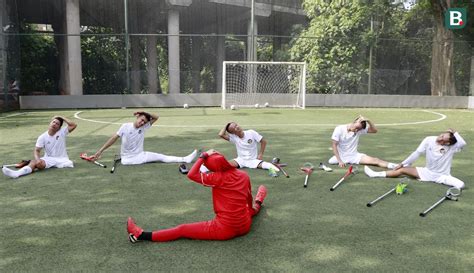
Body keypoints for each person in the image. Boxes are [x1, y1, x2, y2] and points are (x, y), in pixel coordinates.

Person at [127, 149, 268, 243]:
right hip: (245, 225)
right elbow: (248, 200)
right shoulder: (243, 175)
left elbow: (191, 174)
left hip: (225, 229)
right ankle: (260, 198)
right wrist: (253, 209)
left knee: (182, 229)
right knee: (250, 209)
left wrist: (202, 157)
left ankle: (141, 235)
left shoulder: (216, 178)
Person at [364, 129, 466, 190]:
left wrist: (454, 132)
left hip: (442, 177)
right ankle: (375, 174)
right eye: (442, 135)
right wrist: (402, 163)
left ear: (447, 143)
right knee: (402, 170)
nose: (440, 138)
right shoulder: (429, 139)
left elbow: (463, 143)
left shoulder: (452, 147)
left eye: (444, 139)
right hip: (426, 172)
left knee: (461, 185)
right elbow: (416, 153)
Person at [90, 111, 197, 165]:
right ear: (137, 117)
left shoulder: (144, 127)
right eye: (141, 120)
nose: (142, 123)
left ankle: (185, 159)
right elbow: (113, 139)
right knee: (161, 157)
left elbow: (156, 117)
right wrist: (100, 151)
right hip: (137, 158)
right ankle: (185, 159)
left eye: (144, 122)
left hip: (126, 160)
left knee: (160, 157)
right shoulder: (125, 126)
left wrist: (143, 111)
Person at [2, 116, 77, 179]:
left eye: (57, 124)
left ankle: (25, 169)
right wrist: (38, 159)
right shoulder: (42, 137)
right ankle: (17, 173)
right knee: (35, 162)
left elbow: (73, 125)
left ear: (59, 127)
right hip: (49, 159)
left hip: (62, 159)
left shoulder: (62, 132)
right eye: (53, 122)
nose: (54, 124)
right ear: (50, 123)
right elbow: (37, 150)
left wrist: (61, 117)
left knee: (34, 163)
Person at [329, 115, 397, 169]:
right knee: (331, 161)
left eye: (358, 129)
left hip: (354, 156)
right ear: (354, 122)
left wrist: (368, 120)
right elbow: (334, 145)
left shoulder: (359, 130)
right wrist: (340, 161)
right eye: (356, 128)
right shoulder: (339, 129)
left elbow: (374, 130)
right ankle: (341, 160)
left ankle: (396, 166)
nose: (356, 130)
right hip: (341, 157)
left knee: (375, 161)